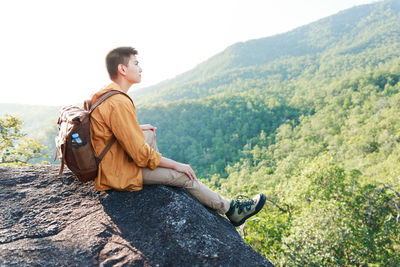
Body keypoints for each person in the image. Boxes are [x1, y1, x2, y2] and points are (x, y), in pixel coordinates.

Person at [89, 46, 266, 227]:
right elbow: (140, 154)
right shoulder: (118, 102)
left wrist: (138, 128)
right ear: (123, 69)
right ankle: (231, 209)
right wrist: (176, 165)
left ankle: (156, 173)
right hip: (116, 172)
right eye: (136, 63)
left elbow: (111, 129)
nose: (140, 68)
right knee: (184, 177)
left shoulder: (106, 94)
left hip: (111, 160)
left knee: (148, 132)